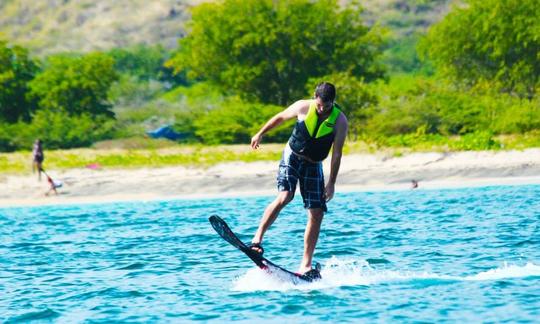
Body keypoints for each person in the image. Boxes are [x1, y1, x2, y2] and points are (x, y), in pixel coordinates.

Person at [250, 82, 348, 279]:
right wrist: (260, 133)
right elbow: (279, 118)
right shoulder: (303, 106)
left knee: (317, 212)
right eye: (319, 105)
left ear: (333, 103)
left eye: (326, 106)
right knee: (285, 196)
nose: (321, 109)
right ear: (314, 97)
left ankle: (305, 265)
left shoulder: (340, 121)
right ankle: (256, 241)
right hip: (292, 156)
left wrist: (332, 183)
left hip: (314, 164)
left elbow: (337, 154)